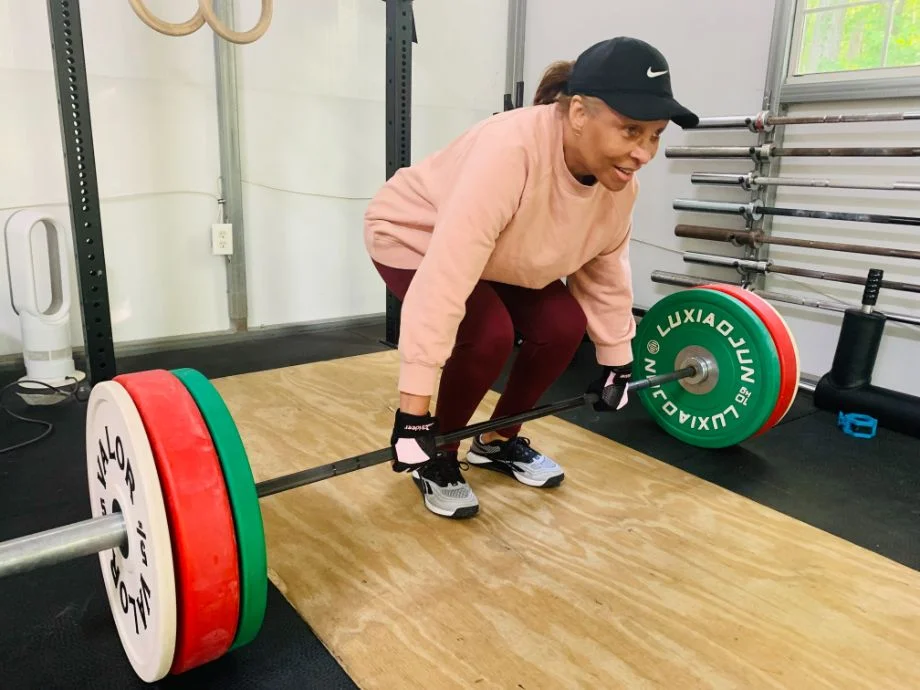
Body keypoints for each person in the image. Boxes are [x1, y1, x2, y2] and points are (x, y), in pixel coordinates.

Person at [363, 36, 698, 519]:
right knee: (487, 334)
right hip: (415, 237)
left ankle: (497, 441)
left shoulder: (618, 184)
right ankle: (438, 455)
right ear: (579, 113)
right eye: (630, 130)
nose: (644, 151)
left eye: (655, 134)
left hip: (501, 252)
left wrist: (617, 359)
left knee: (561, 326)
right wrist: (414, 414)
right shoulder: (508, 152)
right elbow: (446, 278)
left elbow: (604, 268)